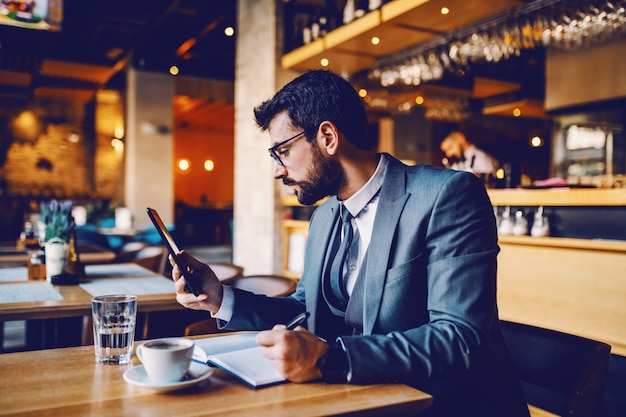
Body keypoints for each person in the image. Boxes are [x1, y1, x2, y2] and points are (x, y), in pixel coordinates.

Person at [172, 70, 529, 417]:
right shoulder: (325, 216)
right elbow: (304, 308)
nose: (277, 170)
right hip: (357, 398)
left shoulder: (446, 196)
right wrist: (220, 298)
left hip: (443, 404)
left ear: (328, 137)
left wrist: (330, 358)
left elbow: (459, 337)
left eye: (281, 150)